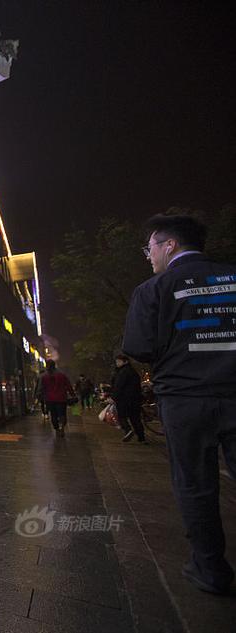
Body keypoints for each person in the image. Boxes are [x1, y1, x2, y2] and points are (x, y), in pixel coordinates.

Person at [123, 213, 236, 595]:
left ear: (168, 244)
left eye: (149, 248)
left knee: (195, 485)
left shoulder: (154, 289)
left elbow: (138, 347)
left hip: (185, 400)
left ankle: (210, 568)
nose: (148, 256)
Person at [109, 354, 145, 443]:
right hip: (135, 398)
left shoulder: (123, 372)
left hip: (124, 399)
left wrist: (113, 397)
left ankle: (128, 430)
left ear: (125, 362)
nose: (117, 363)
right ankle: (141, 437)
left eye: (119, 361)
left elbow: (118, 386)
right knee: (135, 418)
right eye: (116, 362)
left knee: (121, 416)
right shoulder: (134, 372)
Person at [37, 360, 75, 437]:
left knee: (53, 414)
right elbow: (68, 386)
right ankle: (62, 427)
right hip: (61, 398)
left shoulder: (43, 377)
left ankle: (57, 429)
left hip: (50, 399)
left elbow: (40, 389)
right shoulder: (62, 375)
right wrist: (73, 395)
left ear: (47, 366)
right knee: (62, 414)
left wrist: (39, 397)